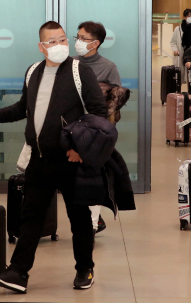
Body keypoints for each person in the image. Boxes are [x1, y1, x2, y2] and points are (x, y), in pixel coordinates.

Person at [0, 21, 107, 293]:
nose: (59, 45)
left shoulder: (78, 71)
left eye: (62, 40)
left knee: (79, 218)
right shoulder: (33, 72)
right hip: (39, 158)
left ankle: (85, 268)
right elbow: (24, 107)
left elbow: (98, 113)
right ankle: (18, 273)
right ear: (41, 46)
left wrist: (80, 149)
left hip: (70, 159)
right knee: (31, 217)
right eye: (52, 42)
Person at [73, 20, 120, 235]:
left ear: (96, 43)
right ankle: (92, 218)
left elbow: (114, 103)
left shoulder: (108, 67)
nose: (79, 42)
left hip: (95, 131)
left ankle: (92, 222)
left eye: (84, 39)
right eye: (78, 37)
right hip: (72, 128)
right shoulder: (70, 64)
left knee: (91, 175)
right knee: (75, 178)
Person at [171, 8, 191, 85]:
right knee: (179, 78)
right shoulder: (178, 29)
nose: (190, 17)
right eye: (188, 16)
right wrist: (175, 50)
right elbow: (173, 42)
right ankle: (179, 94)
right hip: (181, 55)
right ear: (184, 17)